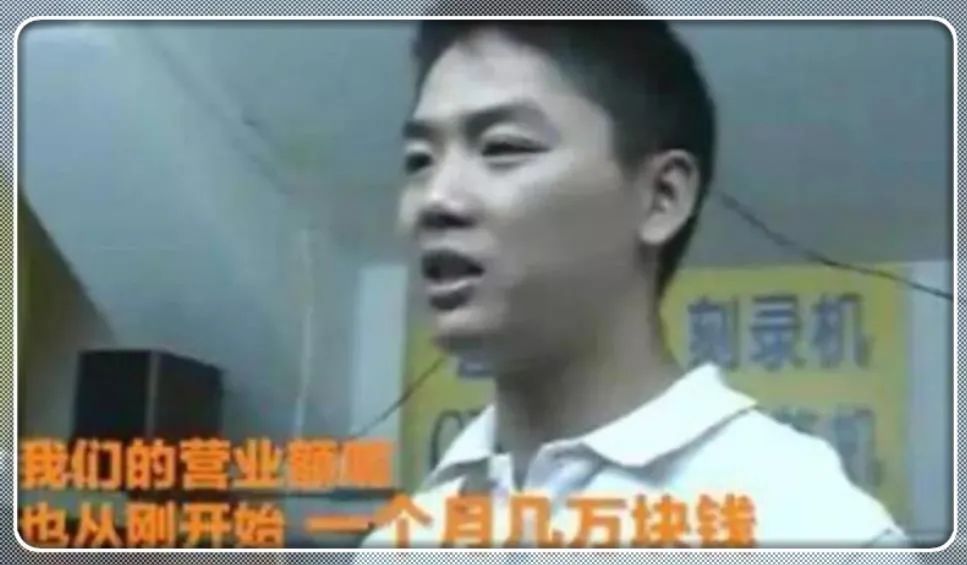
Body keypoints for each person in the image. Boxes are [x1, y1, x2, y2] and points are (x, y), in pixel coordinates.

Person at [360, 14, 910, 550]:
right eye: (419, 160)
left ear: (661, 198)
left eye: (503, 147)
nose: (436, 199)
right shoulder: (407, 539)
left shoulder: (803, 522)